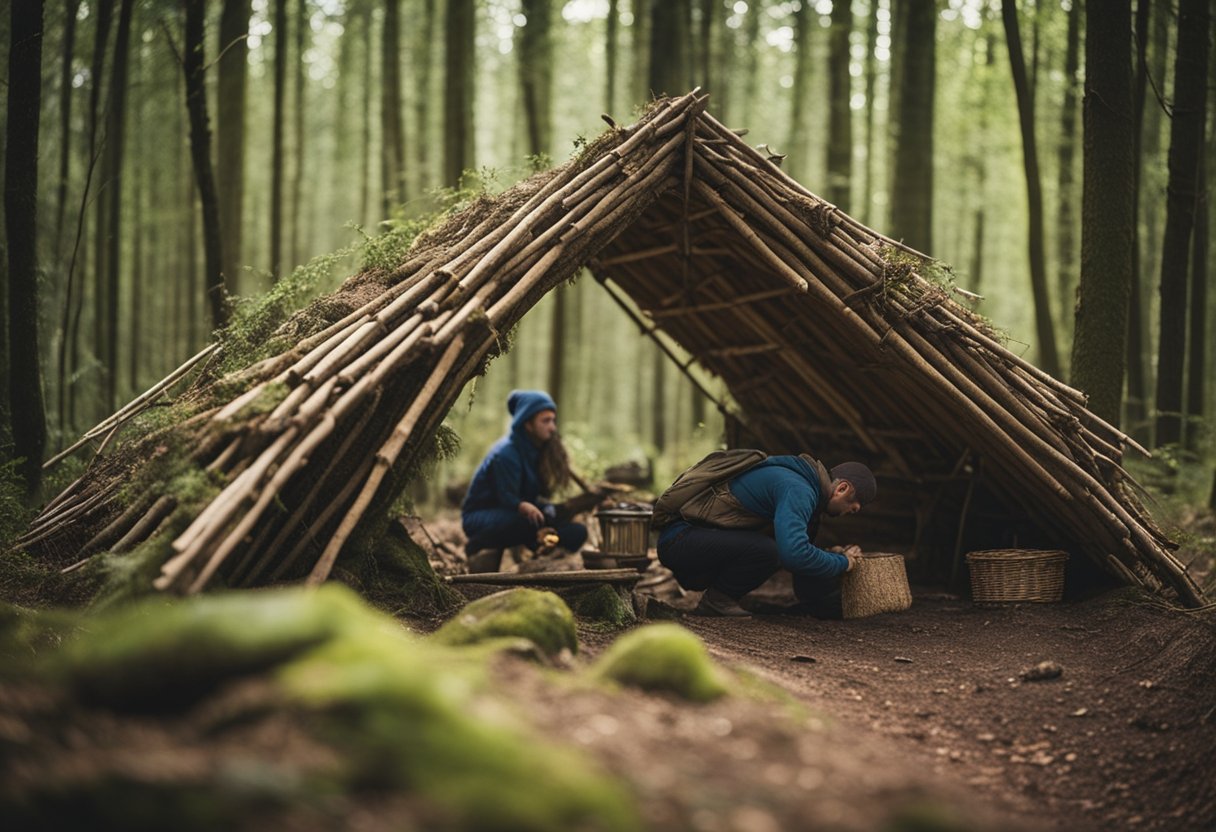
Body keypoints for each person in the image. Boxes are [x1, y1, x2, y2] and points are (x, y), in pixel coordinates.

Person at [656, 453, 877, 617]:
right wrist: (843, 563)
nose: (848, 514)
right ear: (842, 489)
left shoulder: (805, 489)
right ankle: (717, 601)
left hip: (692, 542)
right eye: (853, 508)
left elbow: (800, 553)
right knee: (770, 551)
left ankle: (718, 598)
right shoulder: (799, 489)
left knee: (773, 547)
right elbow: (794, 555)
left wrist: (831, 555)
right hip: (680, 540)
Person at [461, 390, 588, 569]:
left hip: (519, 516)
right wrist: (525, 506)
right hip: (483, 517)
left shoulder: (536, 451)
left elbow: (531, 497)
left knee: (577, 531)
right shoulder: (505, 453)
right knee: (527, 522)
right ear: (528, 424)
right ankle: (478, 545)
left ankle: (543, 547)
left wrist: (551, 510)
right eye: (545, 421)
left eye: (553, 420)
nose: (552, 427)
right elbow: (507, 498)